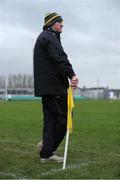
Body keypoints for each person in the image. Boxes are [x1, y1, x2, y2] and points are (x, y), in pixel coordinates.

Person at [33, 12, 78, 163]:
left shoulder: (45, 37)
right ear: (52, 23)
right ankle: (47, 149)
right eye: (60, 23)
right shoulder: (49, 38)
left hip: (47, 88)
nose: (62, 25)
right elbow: (60, 57)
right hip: (53, 88)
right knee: (65, 119)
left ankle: (46, 153)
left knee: (50, 121)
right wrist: (72, 75)